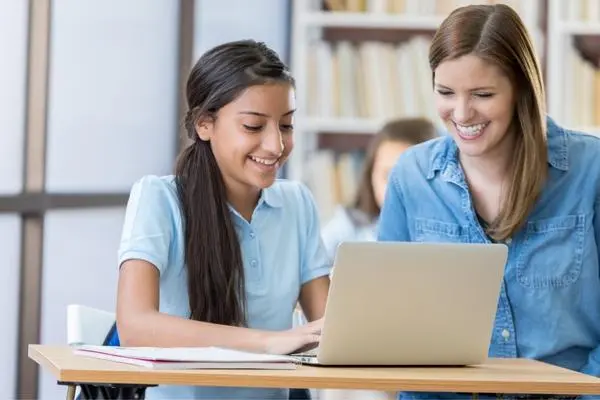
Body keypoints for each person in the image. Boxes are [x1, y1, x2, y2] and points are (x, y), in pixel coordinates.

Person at [378, 4, 600, 400]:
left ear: (521, 90)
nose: (461, 113)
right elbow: (391, 326)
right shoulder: (412, 176)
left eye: (482, 94)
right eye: (445, 92)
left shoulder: (591, 172)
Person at [115, 39, 331, 399]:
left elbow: (331, 330)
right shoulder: (159, 198)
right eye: (253, 126)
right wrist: (270, 343)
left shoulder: (297, 203)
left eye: (286, 126)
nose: (276, 146)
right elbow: (135, 326)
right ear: (204, 124)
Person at [321, 117, 437, 262]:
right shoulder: (345, 230)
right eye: (387, 175)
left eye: (410, 176)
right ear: (371, 176)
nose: (395, 188)